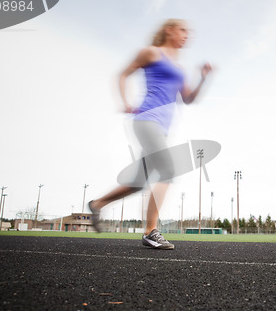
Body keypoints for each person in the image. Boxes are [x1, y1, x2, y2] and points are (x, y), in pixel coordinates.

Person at [88, 19, 212, 249]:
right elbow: (123, 75)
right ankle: (150, 232)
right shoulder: (152, 53)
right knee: (169, 170)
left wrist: (203, 79)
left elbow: (187, 99)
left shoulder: (180, 69)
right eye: (183, 30)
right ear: (169, 30)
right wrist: (124, 102)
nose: (187, 35)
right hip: (146, 120)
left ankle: (97, 204)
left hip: (161, 129)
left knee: (137, 183)